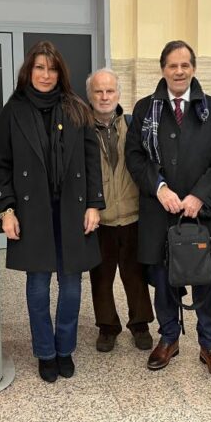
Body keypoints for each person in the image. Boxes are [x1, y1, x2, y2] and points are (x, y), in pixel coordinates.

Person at [0, 40, 105, 383]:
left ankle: (64, 348)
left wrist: (94, 204)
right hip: (33, 211)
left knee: (71, 286)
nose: (45, 74)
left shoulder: (76, 108)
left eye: (52, 68)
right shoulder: (14, 110)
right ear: (29, 71)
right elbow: (3, 165)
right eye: (40, 68)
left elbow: (91, 161)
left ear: (61, 72)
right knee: (38, 286)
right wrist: (6, 210)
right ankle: (45, 351)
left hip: (71, 209)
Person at [125, 39, 211, 380]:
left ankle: (210, 344)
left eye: (185, 64)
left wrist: (200, 195)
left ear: (194, 68)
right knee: (163, 279)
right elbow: (135, 157)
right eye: (172, 65)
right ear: (162, 69)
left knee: (204, 281)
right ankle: (169, 337)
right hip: (160, 211)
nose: (179, 71)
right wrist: (159, 188)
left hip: (199, 213)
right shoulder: (145, 109)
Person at [86, 68, 155, 353]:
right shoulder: (81, 130)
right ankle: (107, 327)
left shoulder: (133, 126)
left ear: (119, 94)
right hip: (98, 219)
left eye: (110, 91)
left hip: (132, 215)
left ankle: (140, 324)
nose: (104, 96)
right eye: (99, 91)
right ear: (90, 96)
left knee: (135, 276)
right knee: (101, 278)